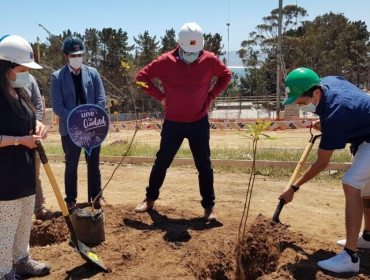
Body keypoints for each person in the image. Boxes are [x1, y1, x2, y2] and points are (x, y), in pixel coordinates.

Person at [134, 22, 232, 221]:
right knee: (162, 161)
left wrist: (211, 96)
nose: (192, 55)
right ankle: (150, 199)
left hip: (199, 122)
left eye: (195, 51)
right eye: (188, 51)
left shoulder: (210, 60)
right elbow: (141, 77)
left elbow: (225, 75)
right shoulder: (165, 61)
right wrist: (160, 97)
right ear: (179, 45)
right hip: (173, 123)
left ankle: (209, 207)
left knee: (204, 165)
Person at [279, 67, 370, 274]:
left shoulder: (336, 112)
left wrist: (294, 187)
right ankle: (368, 237)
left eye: (302, 101)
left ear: (316, 92)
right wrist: (327, 120)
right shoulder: (327, 82)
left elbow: (322, 163)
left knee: (351, 183)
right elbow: (349, 101)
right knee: (365, 187)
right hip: (365, 133)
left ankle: (350, 257)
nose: (301, 106)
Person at [0, 35, 51, 280]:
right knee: (5, 227)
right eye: (22, 69)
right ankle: (4, 272)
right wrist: (19, 141)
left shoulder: (21, 92)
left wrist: (39, 125)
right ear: (6, 66)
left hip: (25, 170)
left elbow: (29, 120)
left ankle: (22, 260)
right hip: (4, 174)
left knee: (23, 222)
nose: (26, 74)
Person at [50, 35, 106, 211]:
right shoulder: (57, 77)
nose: (77, 58)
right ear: (66, 55)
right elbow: (58, 106)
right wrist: (77, 119)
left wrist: (90, 118)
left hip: (93, 128)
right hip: (70, 129)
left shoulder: (93, 73)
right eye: (73, 55)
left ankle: (96, 197)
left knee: (94, 164)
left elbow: (101, 99)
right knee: (71, 165)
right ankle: (71, 199)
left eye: (79, 55)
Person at [25, 74, 61, 221]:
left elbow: (38, 104)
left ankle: (39, 209)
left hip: (31, 135)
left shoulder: (29, 79)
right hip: (8, 138)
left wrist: (37, 122)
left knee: (34, 174)